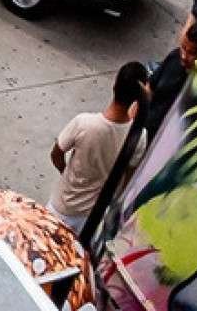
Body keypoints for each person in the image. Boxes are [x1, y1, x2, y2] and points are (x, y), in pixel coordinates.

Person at [49, 63, 147, 229]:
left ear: (114, 84)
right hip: (90, 219)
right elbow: (127, 181)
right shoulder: (139, 136)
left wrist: (66, 172)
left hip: (61, 206)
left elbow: (56, 154)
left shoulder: (84, 123)